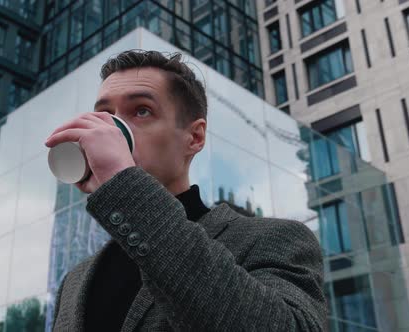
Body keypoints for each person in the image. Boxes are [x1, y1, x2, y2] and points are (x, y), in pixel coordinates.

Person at [44, 50, 326, 331]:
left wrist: (124, 182)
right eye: (103, 115)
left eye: (142, 110)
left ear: (195, 136)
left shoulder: (272, 239)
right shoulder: (75, 280)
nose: (110, 130)